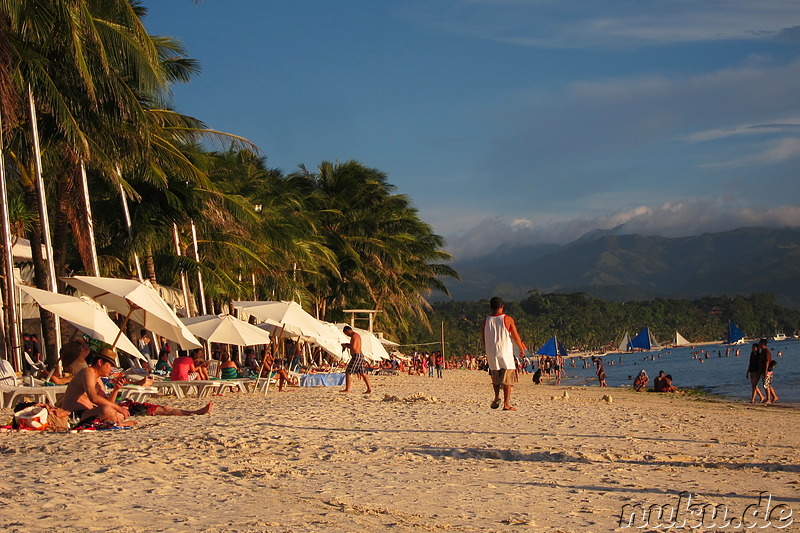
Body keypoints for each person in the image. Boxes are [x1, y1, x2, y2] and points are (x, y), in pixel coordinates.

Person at [62, 348, 211, 425]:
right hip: (77, 415)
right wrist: (118, 408)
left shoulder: (99, 379)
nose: (111, 370)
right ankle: (119, 421)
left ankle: (193, 412)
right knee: (111, 410)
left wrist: (115, 390)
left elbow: (108, 401)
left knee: (160, 408)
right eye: (110, 366)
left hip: (95, 412)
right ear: (100, 363)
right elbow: (93, 398)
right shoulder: (87, 372)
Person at [481, 296, 526, 411]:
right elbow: (515, 336)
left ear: (491, 307)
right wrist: (521, 347)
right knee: (507, 380)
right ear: (502, 306)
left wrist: (488, 350)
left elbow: (483, 338)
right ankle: (506, 404)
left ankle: (496, 396)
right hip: (505, 352)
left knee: (495, 377)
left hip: (492, 353)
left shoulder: (486, 320)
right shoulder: (507, 319)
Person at [340, 325, 373, 394]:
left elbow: (354, 347)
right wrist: (346, 345)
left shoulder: (354, 336)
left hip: (356, 356)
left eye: (346, 334)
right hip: (359, 355)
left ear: (348, 331)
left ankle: (347, 389)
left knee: (348, 372)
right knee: (363, 373)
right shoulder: (356, 336)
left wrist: (345, 345)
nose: (347, 335)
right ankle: (369, 389)